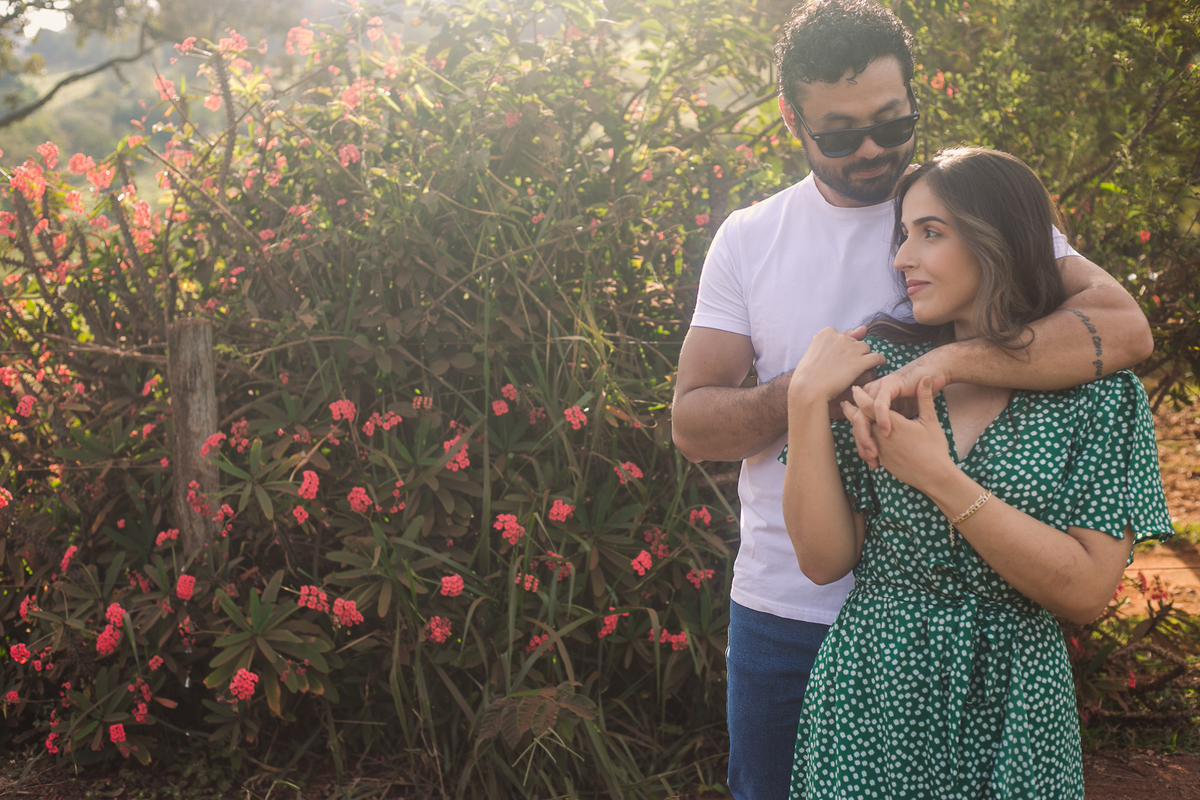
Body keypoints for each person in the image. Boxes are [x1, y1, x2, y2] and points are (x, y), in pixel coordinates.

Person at [670, 2, 1154, 797]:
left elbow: (1123, 330)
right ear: (792, 118)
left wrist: (941, 362)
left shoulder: (970, 204)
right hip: (790, 609)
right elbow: (693, 422)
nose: (872, 149)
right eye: (840, 134)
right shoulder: (751, 238)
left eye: (892, 123)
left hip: (982, 628)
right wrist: (809, 391)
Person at [780, 146, 1172, 798]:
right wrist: (803, 401)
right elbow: (822, 561)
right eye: (904, 234)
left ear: (1001, 241)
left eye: (930, 233)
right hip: (872, 694)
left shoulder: (1102, 398)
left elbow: (1085, 592)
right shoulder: (877, 374)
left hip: (1018, 702)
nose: (902, 257)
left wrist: (940, 478)